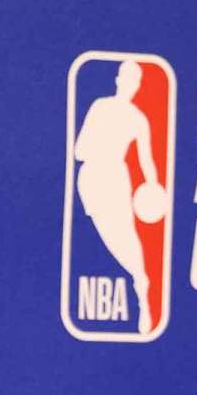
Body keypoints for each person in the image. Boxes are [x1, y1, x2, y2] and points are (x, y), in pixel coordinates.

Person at [74, 60, 162, 333]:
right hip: (92, 178)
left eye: (136, 81)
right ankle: (141, 282)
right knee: (108, 236)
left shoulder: (138, 119)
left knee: (126, 238)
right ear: (118, 79)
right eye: (127, 78)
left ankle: (143, 291)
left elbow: (146, 159)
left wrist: (154, 186)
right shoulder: (100, 107)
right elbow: (79, 150)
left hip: (115, 178)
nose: (131, 84)